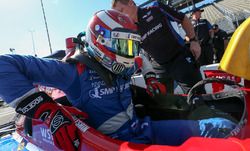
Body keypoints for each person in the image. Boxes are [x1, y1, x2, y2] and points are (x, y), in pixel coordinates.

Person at [0, 9, 236, 150]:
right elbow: (4, 64)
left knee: (222, 126)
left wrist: (155, 84)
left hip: (144, 128)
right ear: (100, 41)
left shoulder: (123, 66)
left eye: (133, 45)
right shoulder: (73, 72)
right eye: (123, 44)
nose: (129, 52)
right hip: (115, 144)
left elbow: (140, 68)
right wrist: (48, 110)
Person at [111, 0, 203, 94]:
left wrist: (193, 41)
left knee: (197, 96)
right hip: (159, 66)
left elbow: (183, 18)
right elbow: (130, 54)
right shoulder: (128, 29)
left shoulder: (155, 8)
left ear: (131, 3)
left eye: (121, 11)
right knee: (163, 102)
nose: (120, 16)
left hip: (179, 58)